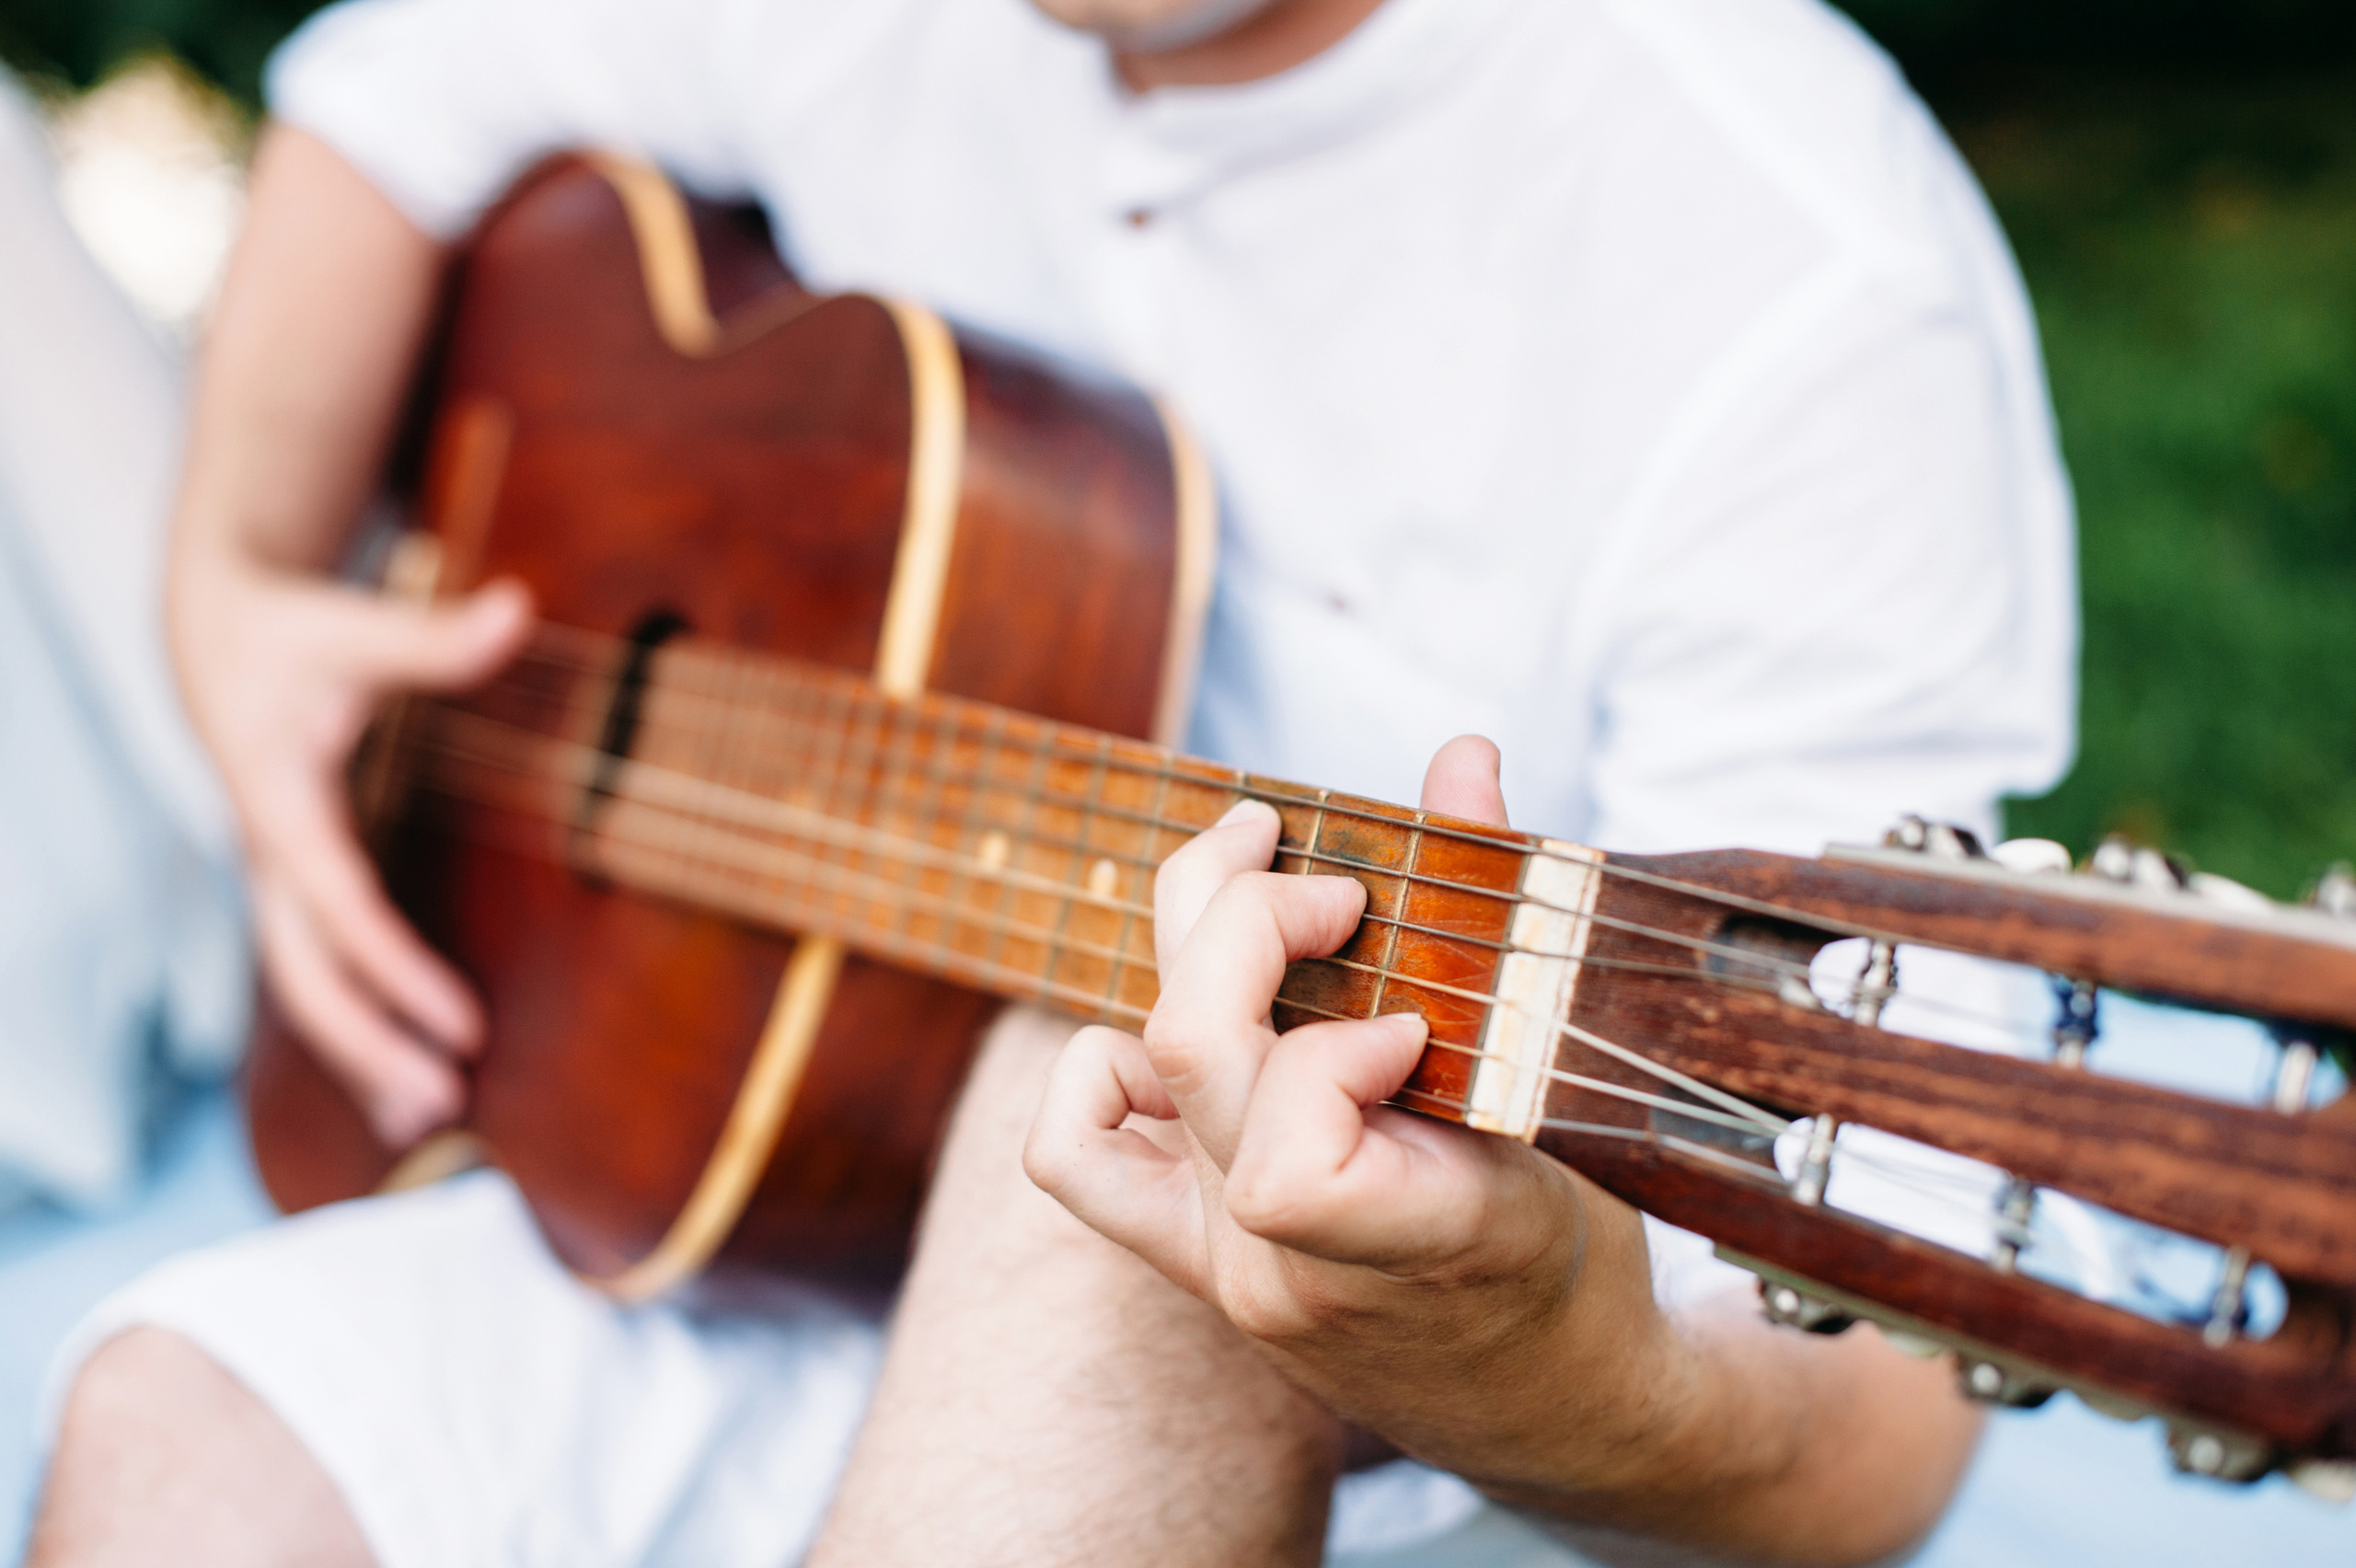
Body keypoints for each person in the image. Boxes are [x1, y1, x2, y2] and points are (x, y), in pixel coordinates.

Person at [29, 0, 2077, 1563]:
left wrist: (1524, 1349)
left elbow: (1872, 1399)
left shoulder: (1787, 267)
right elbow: (392, 92)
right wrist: (239, 588)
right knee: (166, 1417)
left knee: (1102, 1158)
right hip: (750, 1200)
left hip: (1372, 1405)